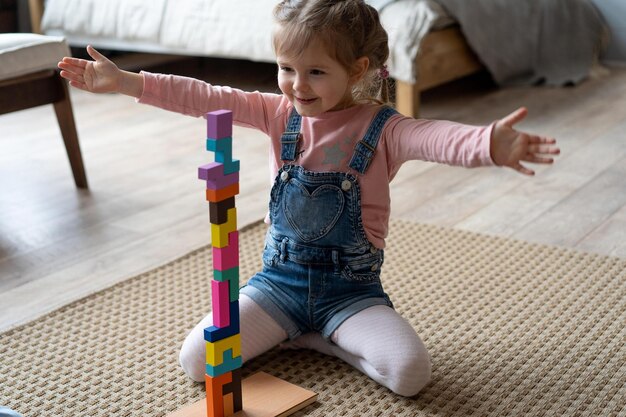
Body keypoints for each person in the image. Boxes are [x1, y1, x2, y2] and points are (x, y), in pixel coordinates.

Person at [58, 0, 559, 397]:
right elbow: (205, 95)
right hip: (277, 285)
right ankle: (297, 330)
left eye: (316, 72)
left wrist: (490, 144)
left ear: (358, 67)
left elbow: (439, 138)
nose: (297, 85)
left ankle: (320, 338)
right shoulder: (278, 113)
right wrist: (127, 82)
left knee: (411, 375)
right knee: (198, 361)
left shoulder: (385, 130)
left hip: (351, 295)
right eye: (286, 68)